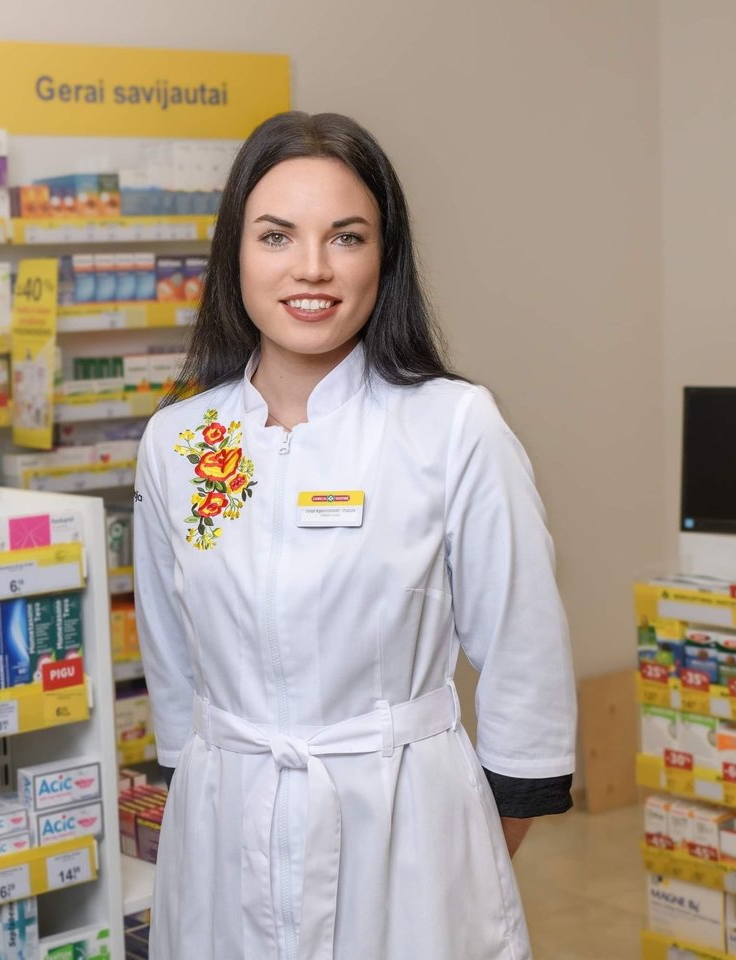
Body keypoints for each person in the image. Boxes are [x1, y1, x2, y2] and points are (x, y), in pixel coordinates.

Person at [132, 111, 577, 959]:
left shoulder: (453, 426)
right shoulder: (181, 442)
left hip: (407, 829)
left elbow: (525, 651)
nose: (312, 267)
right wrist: (209, 794)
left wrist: (460, 846)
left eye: (346, 236)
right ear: (235, 255)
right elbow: (173, 663)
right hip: (226, 825)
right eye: (276, 236)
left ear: (384, 256)